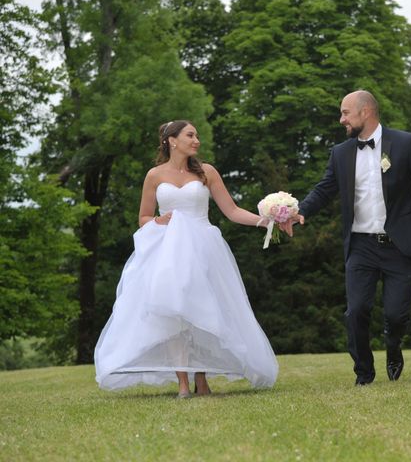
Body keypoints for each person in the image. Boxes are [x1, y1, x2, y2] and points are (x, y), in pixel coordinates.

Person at [94, 120, 278, 398]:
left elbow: (231, 210)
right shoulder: (154, 175)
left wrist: (267, 221)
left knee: (200, 311)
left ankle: (201, 380)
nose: (196, 141)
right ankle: (182, 382)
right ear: (172, 140)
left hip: (203, 248)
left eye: (197, 136)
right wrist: (158, 220)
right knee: (173, 312)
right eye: (190, 135)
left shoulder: (207, 173)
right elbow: (143, 218)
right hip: (167, 251)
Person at [287, 90, 411, 386]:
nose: (341, 120)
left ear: (365, 112)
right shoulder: (340, 153)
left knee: (396, 314)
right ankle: (364, 373)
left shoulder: (405, 143)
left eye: (345, 113)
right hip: (361, 245)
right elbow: (325, 189)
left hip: (400, 245)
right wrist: (298, 211)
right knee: (357, 311)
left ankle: (394, 348)